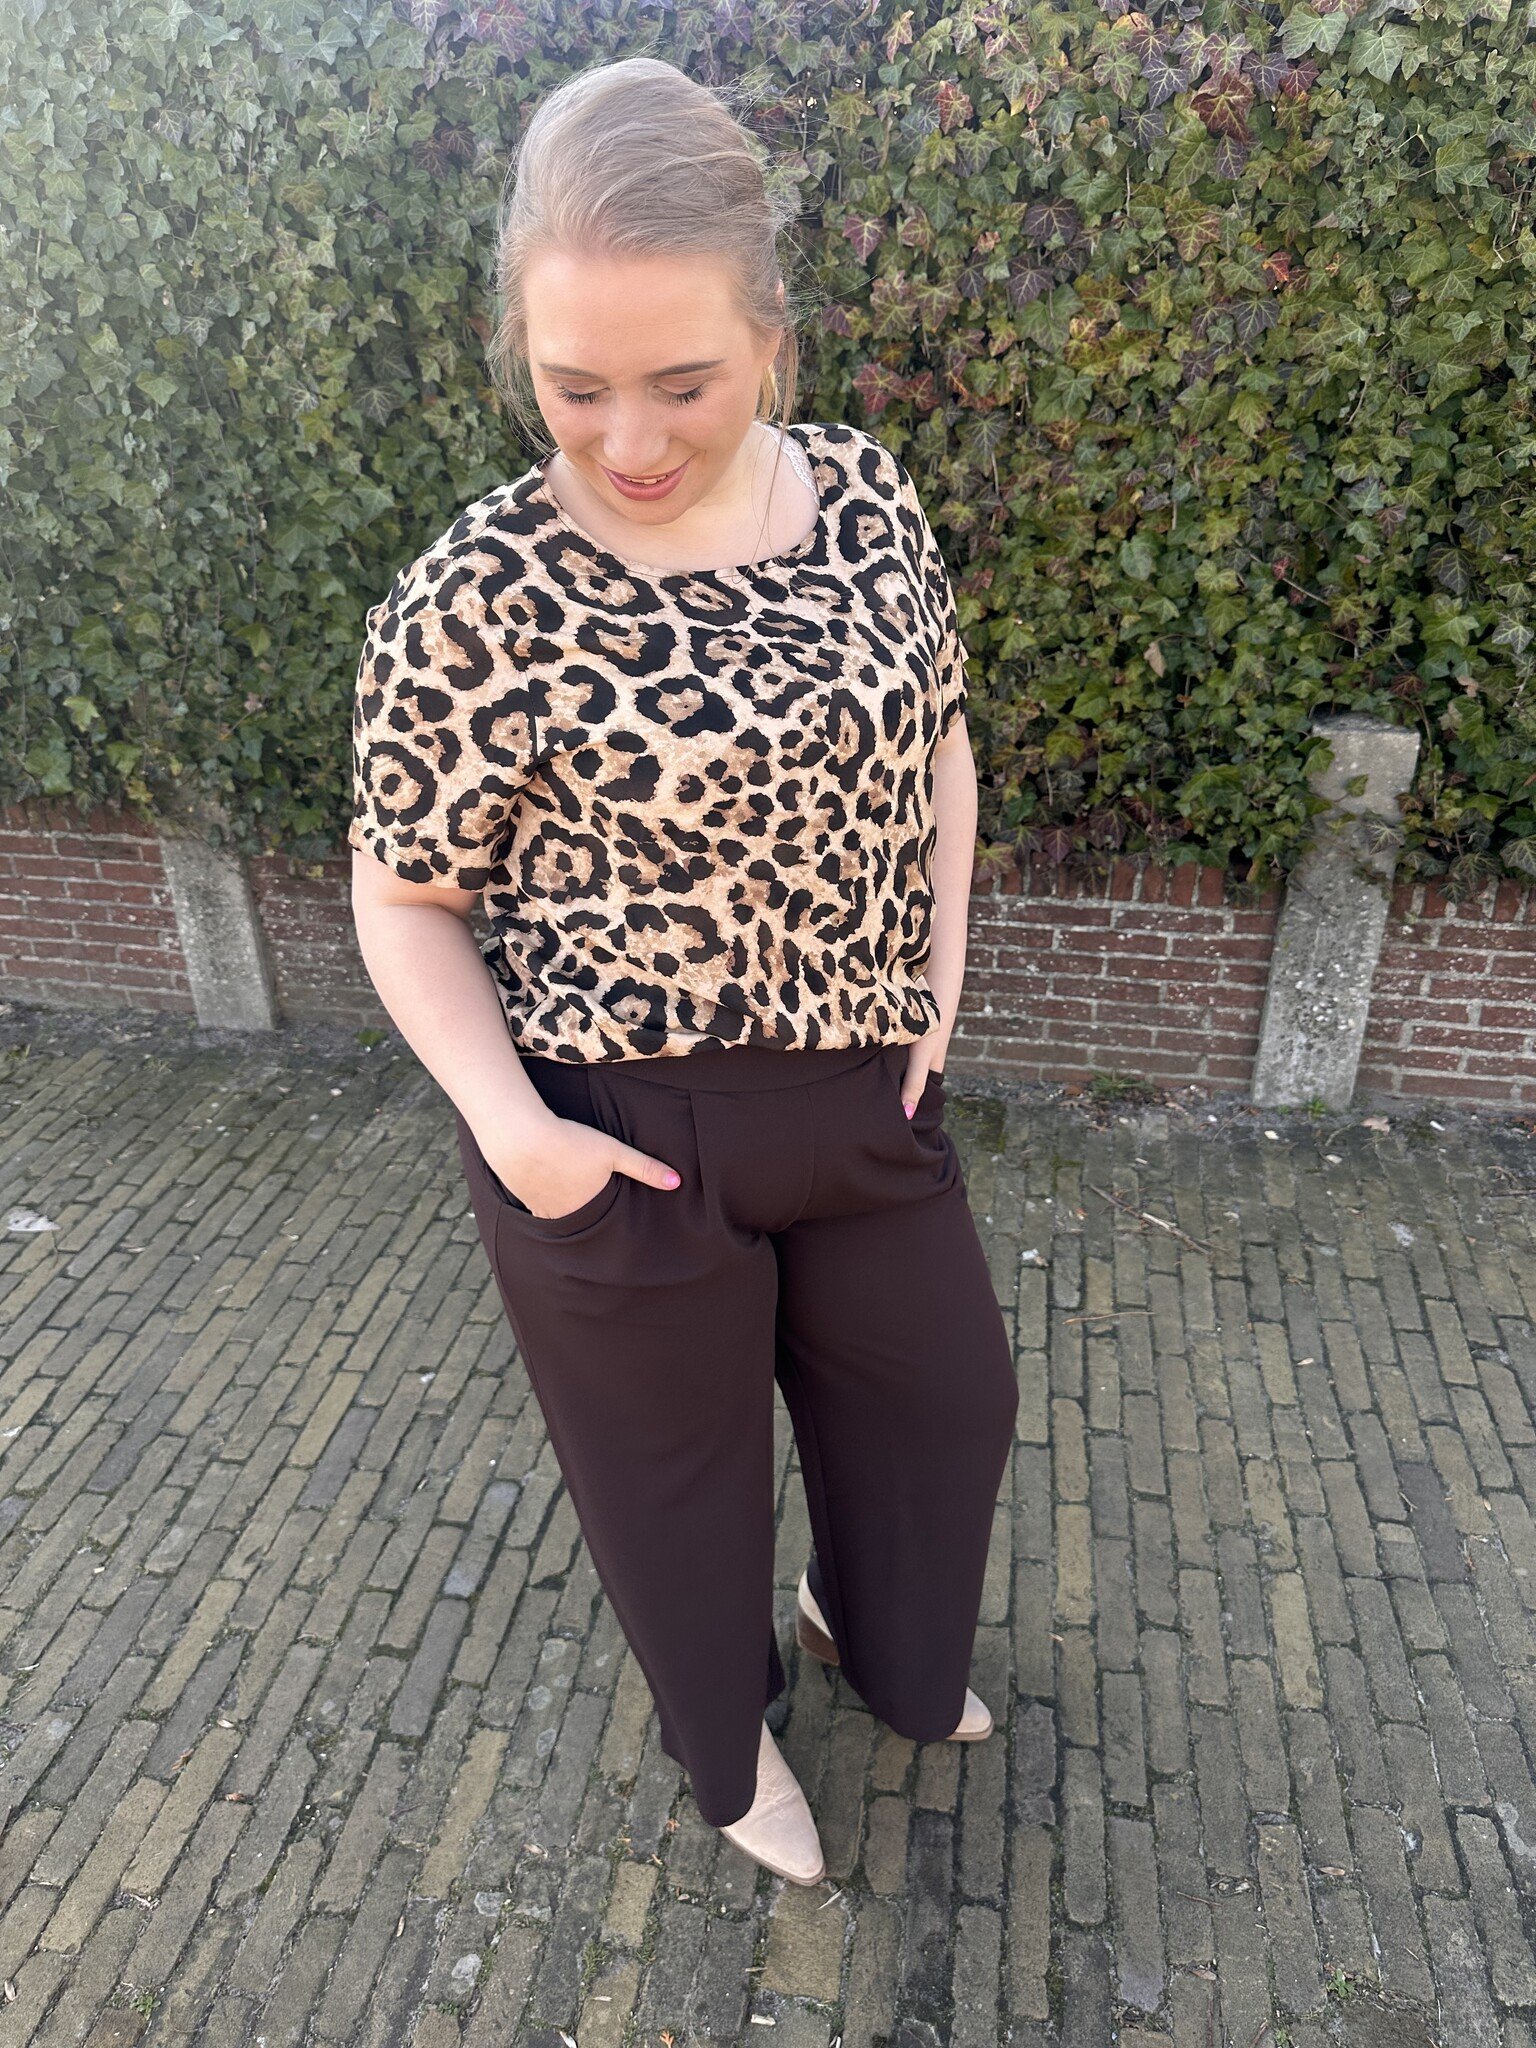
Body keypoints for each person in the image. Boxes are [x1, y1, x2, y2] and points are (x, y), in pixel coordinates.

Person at [347, 54, 1019, 1888]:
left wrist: (943, 969)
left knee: (946, 1405)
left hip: (860, 1091)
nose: (627, 439)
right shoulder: (479, 595)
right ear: (522, 352)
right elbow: (403, 897)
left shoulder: (866, 498)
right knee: (679, 1496)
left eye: (683, 384)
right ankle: (729, 1756)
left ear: (771, 341)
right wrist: (518, 1135)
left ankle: (875, 1638)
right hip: (621, 1132)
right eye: (575, 388)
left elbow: (941, 740)